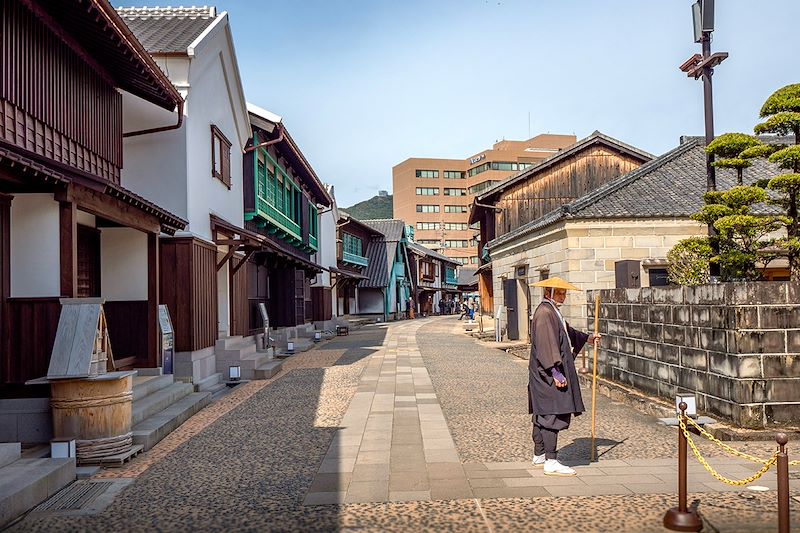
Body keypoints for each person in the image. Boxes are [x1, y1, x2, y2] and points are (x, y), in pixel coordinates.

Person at [528, 277, 600, 476]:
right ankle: (550, 460)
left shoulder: (553, 311)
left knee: (542, 413)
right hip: (547, 374)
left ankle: (540, 454)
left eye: (564, 293)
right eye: (559, 293)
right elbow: (546, 345)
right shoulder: (544, 313)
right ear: (548, 293)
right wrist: (555, 372)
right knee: (552, 413)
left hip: (545, 373)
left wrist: (587, 338)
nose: (563, 297)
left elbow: (567, 333)